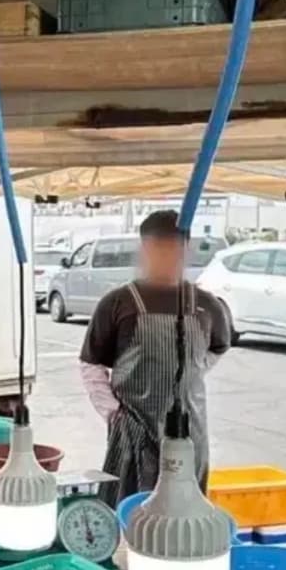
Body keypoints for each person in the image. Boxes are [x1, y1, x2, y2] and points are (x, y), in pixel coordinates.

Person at [80, 210, 231, 506]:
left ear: (185, 249)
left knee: (186, 511)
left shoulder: (206, 305)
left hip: (191, 431)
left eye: (173, 248)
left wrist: (191, 371)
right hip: (133, 430)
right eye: (158, 248)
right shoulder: (119, 303)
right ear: (145, 249)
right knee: (131, 508)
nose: (166, 256)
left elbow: (217, 348)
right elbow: (91, 363)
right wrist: (113, 413)